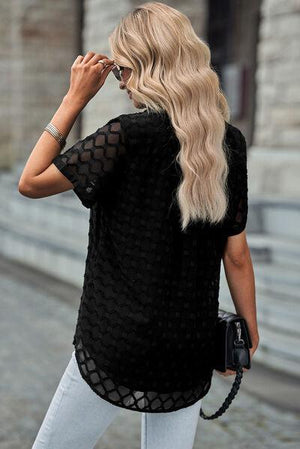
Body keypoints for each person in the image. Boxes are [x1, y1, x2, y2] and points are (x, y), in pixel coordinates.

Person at [18, 2, 259, 449]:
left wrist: (74, 98)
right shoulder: (229, 143)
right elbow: (237, 254)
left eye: (123, 70)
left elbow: (30, 182)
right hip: (187, 345)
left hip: (115, 340)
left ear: (150, 69)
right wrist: (248, 331)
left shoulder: (125, 136)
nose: (122, 82)